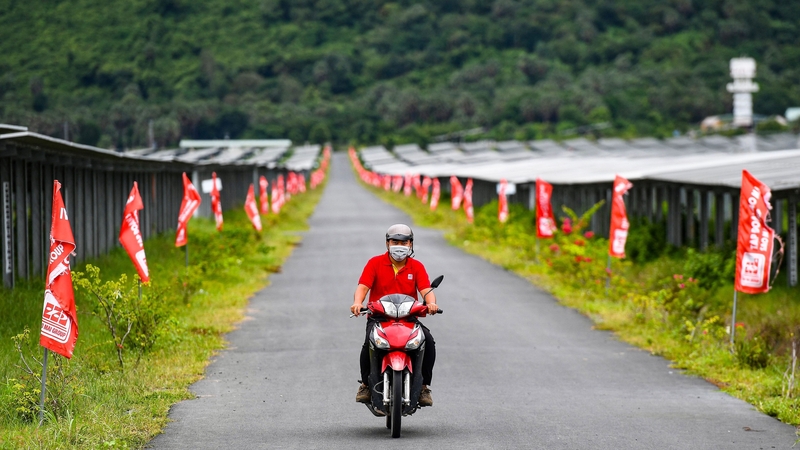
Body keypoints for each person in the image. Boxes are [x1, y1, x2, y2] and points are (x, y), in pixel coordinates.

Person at [351, 223, 439, 407]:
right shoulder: (374, 263)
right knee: (369, 343)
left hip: (409, 317)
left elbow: (426, 289)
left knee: (428, 342)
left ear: (410, 245)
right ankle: (366, 385)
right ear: (387, 243)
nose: (399, 245)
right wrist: (358, 302)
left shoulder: (416, 266)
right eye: (395, 241)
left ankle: (423, 387)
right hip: (379, 318)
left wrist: (431, 303)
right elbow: (363, 286)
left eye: (404, 242)